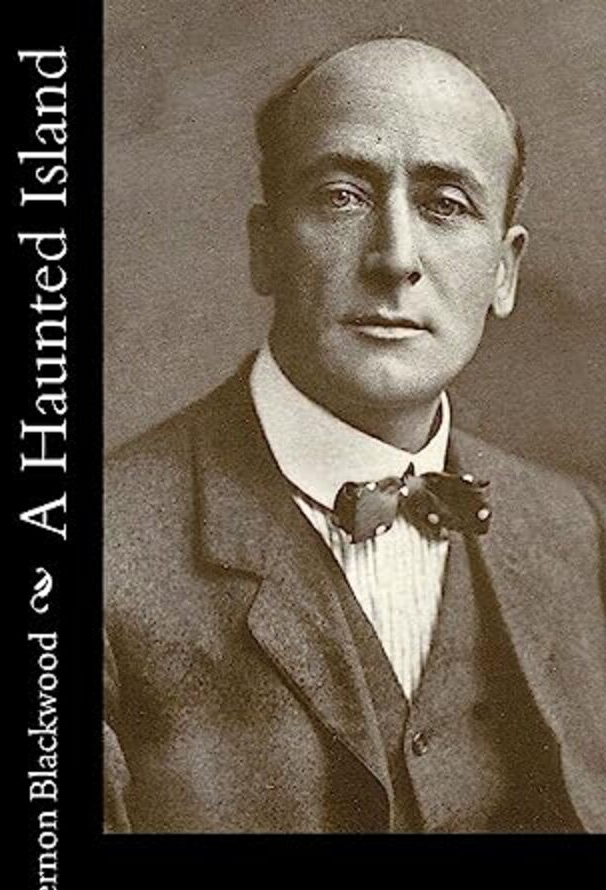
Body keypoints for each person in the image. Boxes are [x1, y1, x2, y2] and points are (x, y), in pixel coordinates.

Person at [104, 36, 605, 834]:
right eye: (342, 196)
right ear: (266, 246)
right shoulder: (103, 548)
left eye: (446, 204)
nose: (396, 258)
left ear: (504, 271)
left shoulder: (577, 531)